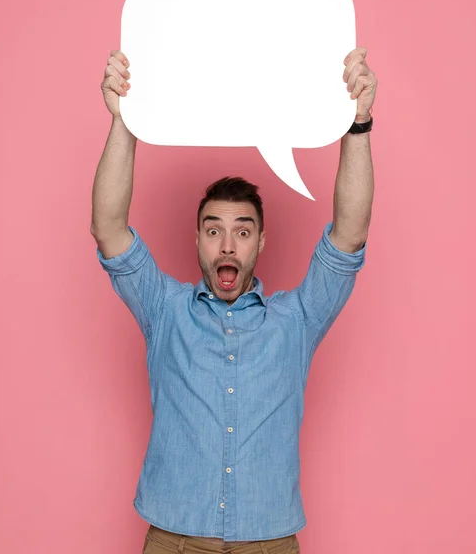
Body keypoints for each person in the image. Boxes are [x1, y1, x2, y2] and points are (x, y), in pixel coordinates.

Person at [91, 47, 377, 554]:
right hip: (173, 542)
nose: (227, 245)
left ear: (261, 242)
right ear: (197, 238)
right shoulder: (164, 310)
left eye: (242, 232)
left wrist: (358, 124)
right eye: (214, 230)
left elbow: (349, 237)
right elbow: (109, 229)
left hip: (268, 544)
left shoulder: (298, 319)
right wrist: (124, 120)